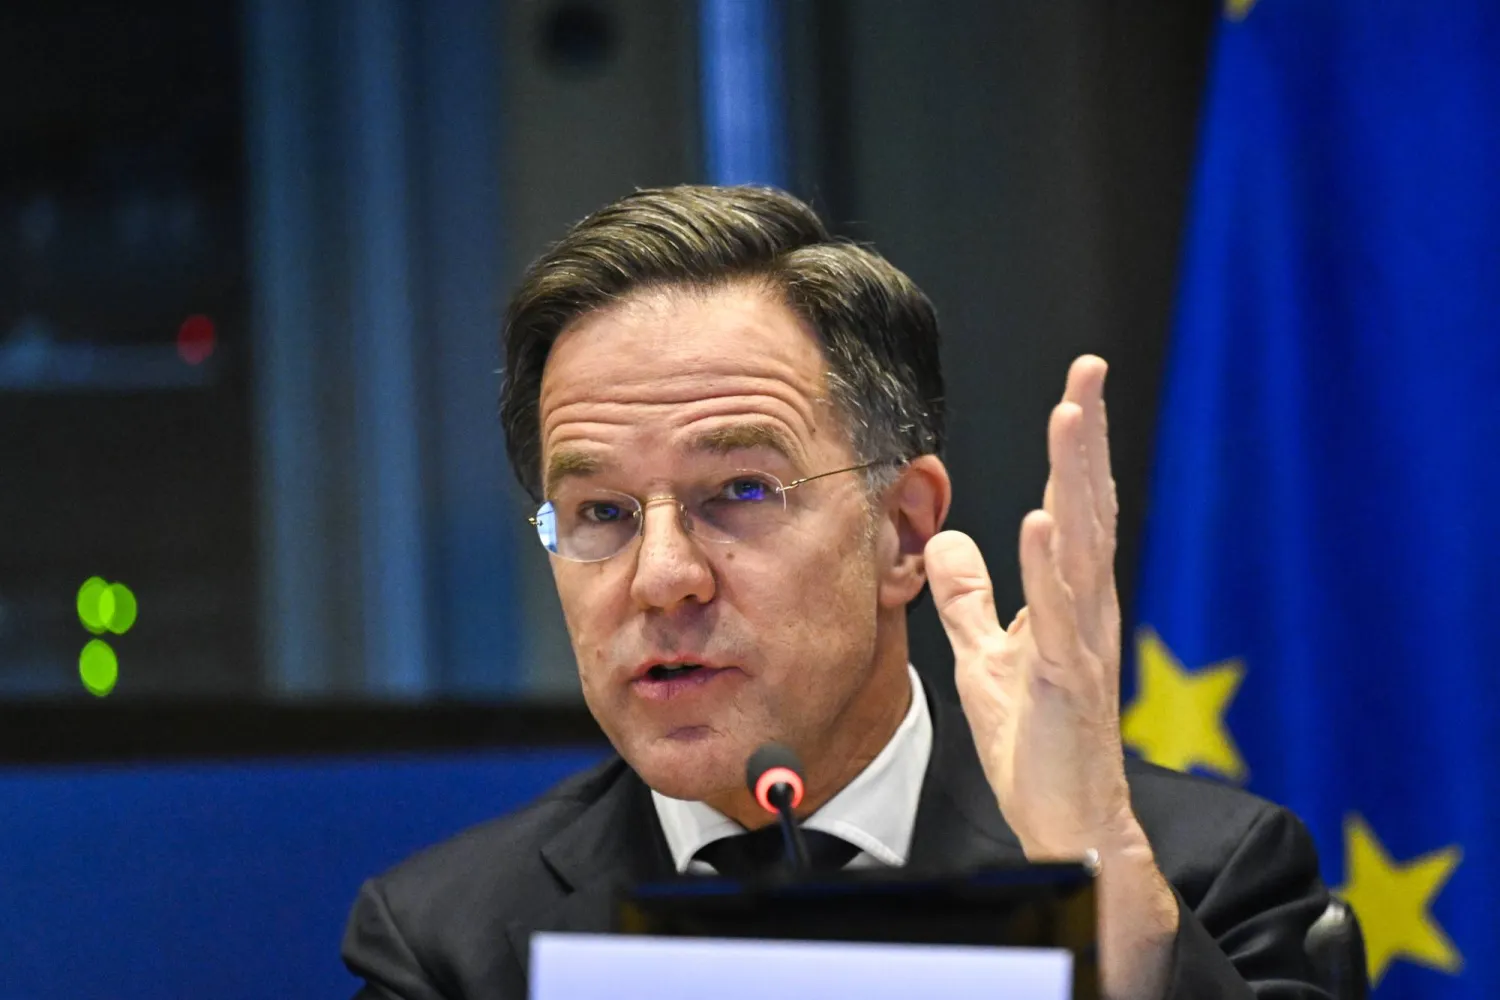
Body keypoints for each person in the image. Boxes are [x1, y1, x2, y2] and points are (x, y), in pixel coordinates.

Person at [342, 185, 1330, 999]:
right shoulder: (447, 946)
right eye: (600, 512)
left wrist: (1103, 893)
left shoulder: (1202, 877)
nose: (662, 576)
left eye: (739, 492)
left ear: (901, 529)